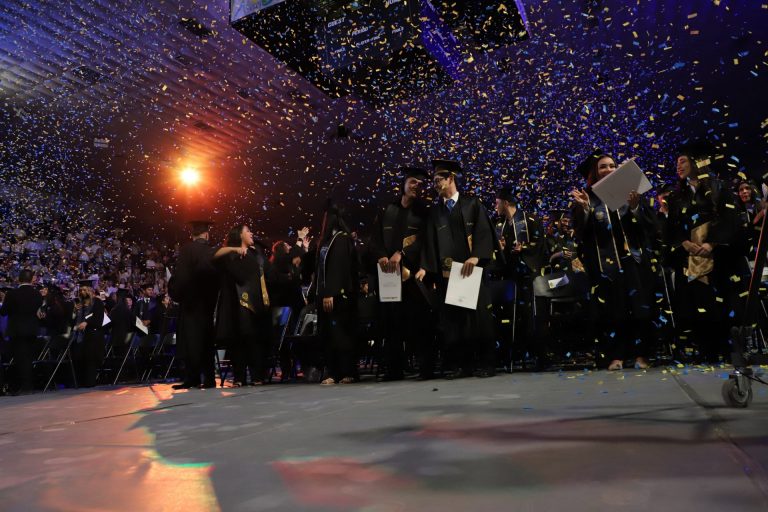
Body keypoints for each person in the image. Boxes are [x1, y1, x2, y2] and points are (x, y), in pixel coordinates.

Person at [570, 150, 657, 370]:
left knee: (639, 307)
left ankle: (641, 354)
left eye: (612, 165)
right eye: (603, 166)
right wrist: (585, 209)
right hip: (605, 264)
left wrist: (635, 207)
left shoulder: (631, 192)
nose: (608, 169)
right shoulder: (587, 198)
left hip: (633, 259)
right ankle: (616, 355)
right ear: (594, 172)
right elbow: (581, 234)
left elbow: (650, 226)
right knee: (613, 311)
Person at [416, 159, 499, 378]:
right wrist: (425, 267)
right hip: (448, 274)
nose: (435, 184)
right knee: (453, 322)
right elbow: (430, 242)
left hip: (472, 272)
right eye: (434, 181)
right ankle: (459, 365)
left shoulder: (472, 204)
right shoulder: (435, 212)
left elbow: (483, 232)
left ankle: (486, 364)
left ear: (451, 178)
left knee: (479, 319)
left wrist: (476, 256)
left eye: (438, 180)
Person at [665, 143, 740, 363]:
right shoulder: (676, 196)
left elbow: (729, 219)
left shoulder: (718, 188)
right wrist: (683, 243)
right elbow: (671, 227)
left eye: (683, 161)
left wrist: (712, 243)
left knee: (719, 302)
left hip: (715, 256)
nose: (678, 166)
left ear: (696, 162)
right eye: (677, 163)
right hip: (689, 257)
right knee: (693, 304)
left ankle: (726, 349)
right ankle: (704, 349)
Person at [369, 166, 433, 380]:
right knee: (391, 323)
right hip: (388, 275)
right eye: (413, 182)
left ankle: (425, 368)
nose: (417, 186)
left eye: (421, 184)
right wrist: (381, 255)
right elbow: (375, 238)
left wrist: (402, 254)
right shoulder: (387, 209)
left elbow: (425, 241)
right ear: (404, 183)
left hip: (412, 276)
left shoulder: (424, 212)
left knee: (419, 322)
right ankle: (394, 369)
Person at [494, 187, 549, 369]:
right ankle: (515, 355)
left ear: (506, 203)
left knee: (532, 315)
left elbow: (541, 245)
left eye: (497, 203)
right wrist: (500, 249)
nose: (495, 206)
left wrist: (524, 249)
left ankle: (539, 356)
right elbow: (499, 251)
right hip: (510, 276)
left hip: (529, 275)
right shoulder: (500, 225)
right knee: (512, 316)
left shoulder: (530, 220)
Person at [168, 220, 224, 389]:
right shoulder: (213, 251)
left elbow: (182, 276)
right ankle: (209, 378)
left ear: (192, 234)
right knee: (207, 339)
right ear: (206, 234)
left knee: (191, 340)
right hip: (208, 303)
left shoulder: (187, 250)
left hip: (191, 303)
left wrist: (176, 293)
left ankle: (192, 378)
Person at [214, 224, 272, 387]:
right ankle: (239, 377)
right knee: (238, 340)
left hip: (255, 304)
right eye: (247, 231)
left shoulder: (256, 254)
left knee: (254, 339)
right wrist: (235, 250)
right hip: (235, 304)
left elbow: (269, 273)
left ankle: (256, 376)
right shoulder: (229, 255)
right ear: (240, 235)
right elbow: (215, 256)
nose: (251, 233)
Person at [313, 201, 359, 385]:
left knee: (341, 335)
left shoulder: (341, 239)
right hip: (324, 294)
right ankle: (332, 372)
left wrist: (330, 292)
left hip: (338, 297)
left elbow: (338, 268)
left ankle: (348, 371)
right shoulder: (326, 241)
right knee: (328, 336)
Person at [0, 269, 43, 393]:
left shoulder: (12, 294)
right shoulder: (37, 294)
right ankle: (28, 385)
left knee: (20, 359)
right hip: (32, 330)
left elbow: (3, 312)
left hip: (17, 331)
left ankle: (24, 386)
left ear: (19, 279)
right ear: (31, 279)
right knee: (28, 358)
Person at [71, 280, 105, 387]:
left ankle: (90, 382)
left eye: (85, 290)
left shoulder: (97, 302)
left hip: (92, 335)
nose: (82, 292)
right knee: (79, 358)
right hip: (80, 336)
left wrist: (87, 322)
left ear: (90, 290)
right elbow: (73, 320)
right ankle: (80, 382)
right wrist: (74, 311)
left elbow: (98, 318)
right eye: (81, 290)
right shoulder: (79, 304)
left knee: (90, 359)